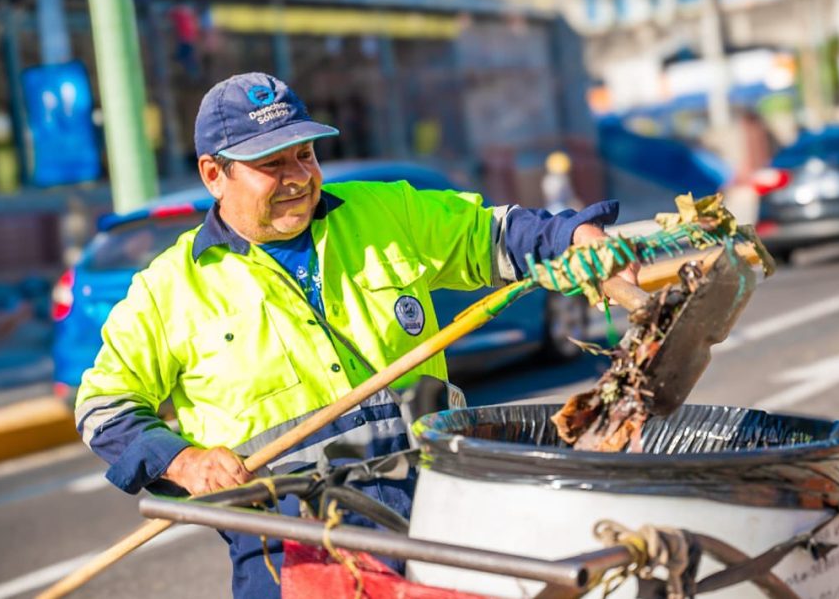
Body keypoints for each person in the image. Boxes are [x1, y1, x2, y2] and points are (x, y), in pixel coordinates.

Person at [75, 72, 636, 598]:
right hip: (292, 549)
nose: (299, 177)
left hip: (436, 509)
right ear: (213, 174)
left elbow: (495, 233)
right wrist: (184, 461)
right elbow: (104, 407)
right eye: (272, 163)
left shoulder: (384, 212)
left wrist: (575, 239)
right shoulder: (167, 291)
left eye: (305, 154)